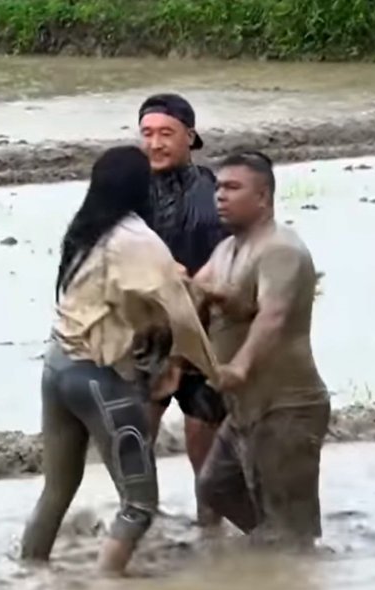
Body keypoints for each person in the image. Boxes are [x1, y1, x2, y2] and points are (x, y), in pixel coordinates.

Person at [19, 146, 220, 576]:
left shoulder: (86, 231)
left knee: (56, 490)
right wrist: (214, 372)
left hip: (57, 366)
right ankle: (110, 589)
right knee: (140, 505)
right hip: (97, 378)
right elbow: (177, 315)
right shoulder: (138, 240)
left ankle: (29, 576)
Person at [193, 151, 331, 549]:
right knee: (215, 487)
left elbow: (274, 315)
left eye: (233, 188)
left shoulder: (280, 250)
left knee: (291, 529)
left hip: (287, 407)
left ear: (264, 198)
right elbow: (189, 297)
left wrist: (239, 367)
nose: (220, 196)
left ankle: (294, 564)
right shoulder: (226, 251)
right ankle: (275, 548)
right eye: (218, 187)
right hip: (245, 410)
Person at [135, 92, 230, 527]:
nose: (155, 143)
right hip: (145, 337)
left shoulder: (216, 192)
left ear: (190, 137)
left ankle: (211, 531)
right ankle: (139, 522)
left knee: (202, 443)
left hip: (203, 337)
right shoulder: (129, 193)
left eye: (166, 134)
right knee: (136, 440)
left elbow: (237, 263)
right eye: (148, 134)